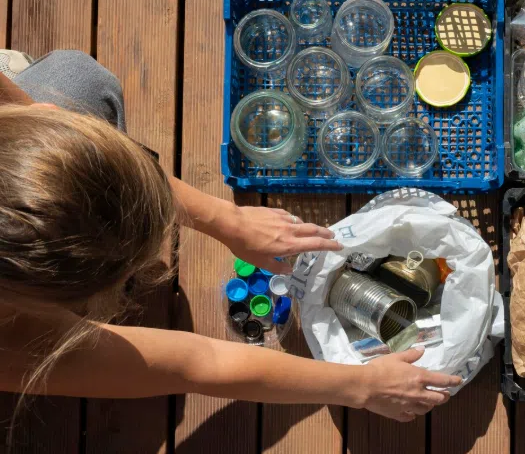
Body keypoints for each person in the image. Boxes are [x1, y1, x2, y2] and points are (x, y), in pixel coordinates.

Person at [0, 50, 460, 425]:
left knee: (80, 78)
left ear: (45, 115)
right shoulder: (12, 339)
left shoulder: (26, 115)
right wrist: (360, 386)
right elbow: (197, 363)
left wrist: (228, 220)